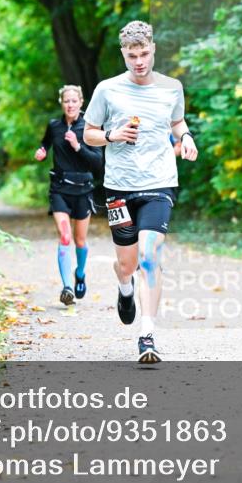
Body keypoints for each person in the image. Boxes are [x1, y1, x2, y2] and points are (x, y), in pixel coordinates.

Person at [83, 21, 198, 364]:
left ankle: (147, 335)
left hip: (159, 181)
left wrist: (186, 137)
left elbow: (177, 122)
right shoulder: (107, 89)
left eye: (144, 54)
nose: (139, 61)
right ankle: (124, 287)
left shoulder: (171, 87)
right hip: (119, 185)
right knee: (127, 263)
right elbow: (89, 133)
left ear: (153, 49)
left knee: (149, 257)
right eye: (132, 56)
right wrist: (112, 136)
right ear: (123, 54)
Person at [36, 86, 103, 306]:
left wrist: (77, 146)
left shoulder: (90, 128)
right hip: (60, 189)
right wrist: (42, 151)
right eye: (67, 101)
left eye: (74, 101)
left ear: (81, 102)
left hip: (83, 190)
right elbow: (45, 143)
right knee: (65, 236)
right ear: (61, 102)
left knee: (80, 240)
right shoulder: (54, 125)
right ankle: (67, 288)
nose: (70, 105)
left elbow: (98, 163)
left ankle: (80, 274)